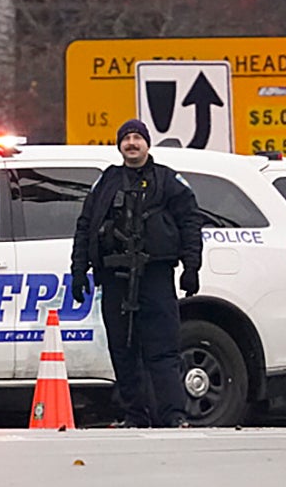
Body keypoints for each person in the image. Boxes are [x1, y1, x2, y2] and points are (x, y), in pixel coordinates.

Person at [70, 118, 204, 428]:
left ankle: (174, 415)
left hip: (155, 276)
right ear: (119, 145)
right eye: (126, 138)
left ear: (147, 143)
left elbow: (191, 222)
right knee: (123, 350)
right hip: (115, 277)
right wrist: (79, 270)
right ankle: (135, 415)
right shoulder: (106, 182)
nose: (132, 143)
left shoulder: (168, 180)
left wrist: (191, 266)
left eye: (137, 137)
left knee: (163, 349)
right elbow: (85, 226)